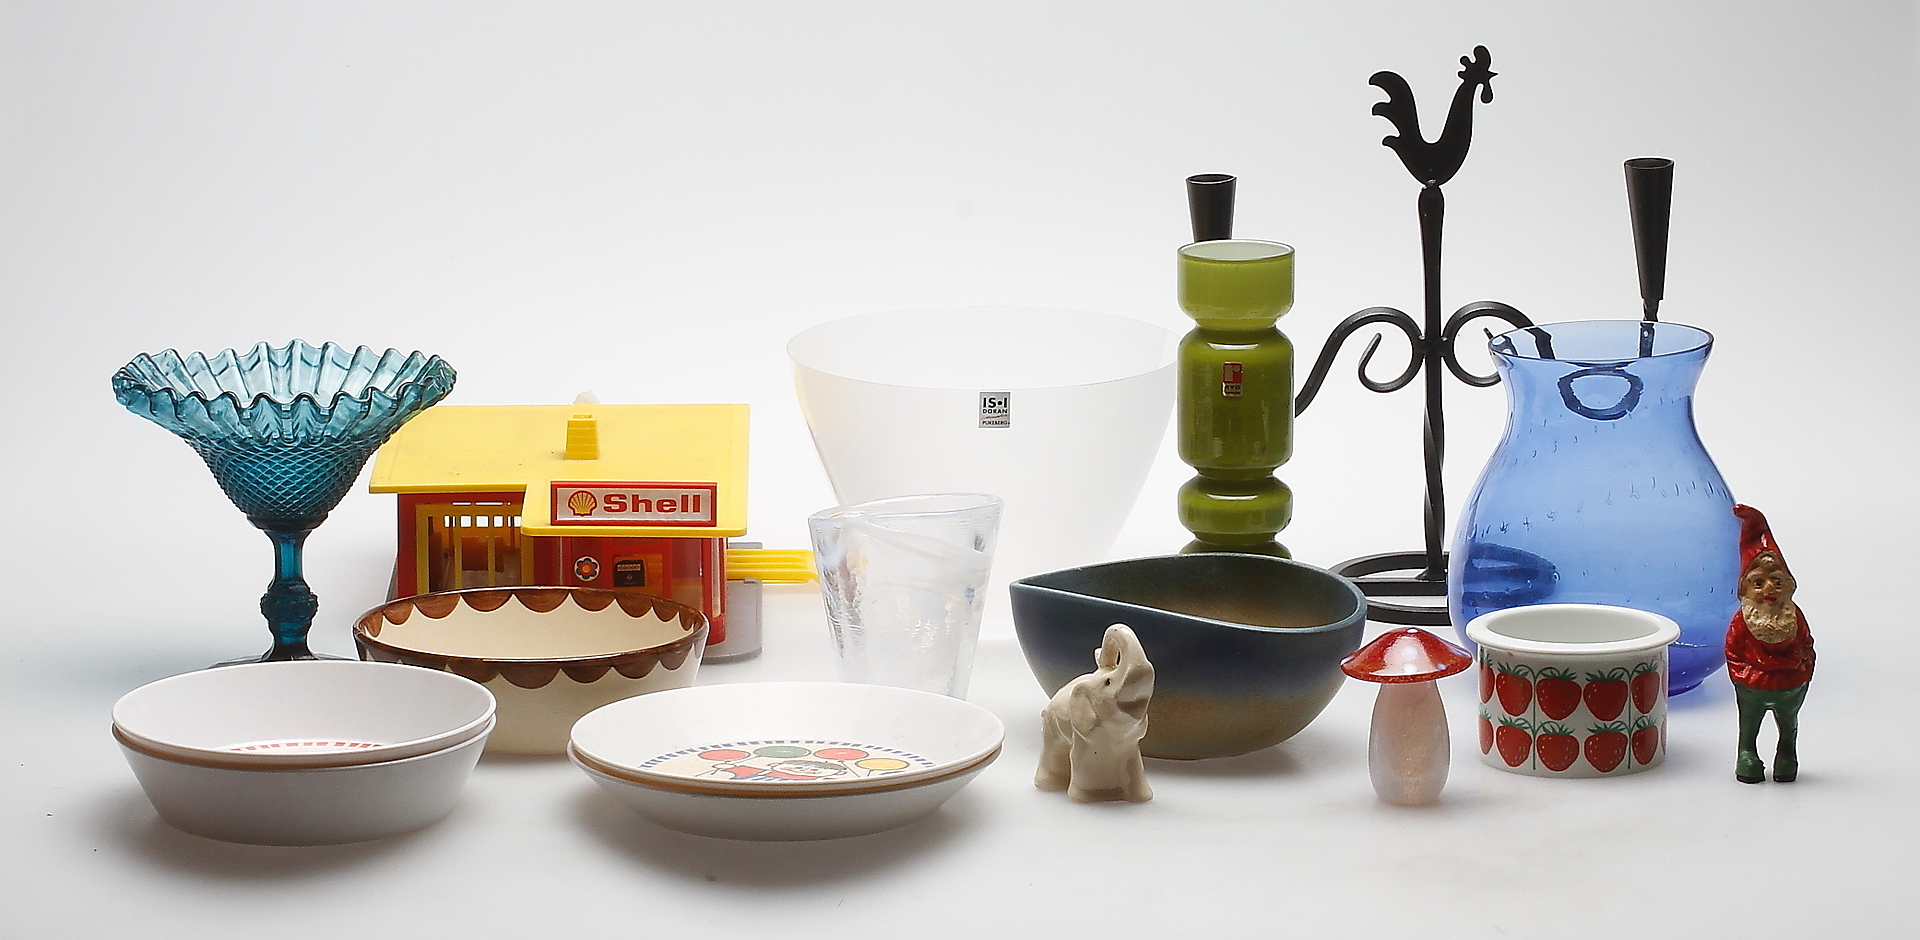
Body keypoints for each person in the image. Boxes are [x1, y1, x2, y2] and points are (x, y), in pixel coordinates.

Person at [1725, 504, 1814, 784]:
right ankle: (1747, 757)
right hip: (1751, 686)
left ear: (1788, 585)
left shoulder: (1793, 616)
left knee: (1788, 725)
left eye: (1776, 582)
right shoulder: (1743, 620)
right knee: (1749, 726)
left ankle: (1786, 756)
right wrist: (1743, 676)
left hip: (1790, 685)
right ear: (1745, 588)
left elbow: (1807, 645)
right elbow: (1733, 651)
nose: (1768, 590)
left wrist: (1803, 671)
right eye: (1758, 583)